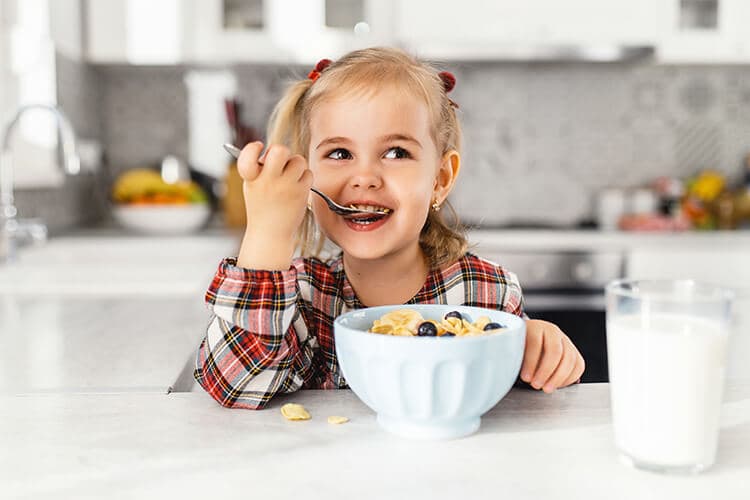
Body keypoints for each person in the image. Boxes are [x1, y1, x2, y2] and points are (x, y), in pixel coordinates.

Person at [194, 47, 585, 409]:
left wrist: (540, 352)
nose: (364, 177)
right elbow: (236, 384)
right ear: (307, 179)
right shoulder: (300, 298)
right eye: (340, 153)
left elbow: (522, 400)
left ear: (440, 178)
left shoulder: (486, 293)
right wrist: (267, 233)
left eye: (396, 152)